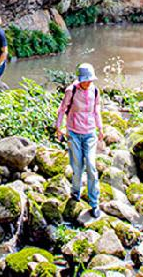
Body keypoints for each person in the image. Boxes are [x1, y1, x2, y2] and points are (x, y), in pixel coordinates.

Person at [55, 61, 105, 217]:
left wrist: (100, 128)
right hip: (74, 133)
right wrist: (59, 127)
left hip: (90, 133)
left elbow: (96, 109)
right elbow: (62, 109)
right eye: (85, 80)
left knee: (91, 166)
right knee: (77, 167)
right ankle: (75, 193)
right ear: (80, 79)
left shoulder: (95, 91)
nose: (88, 82)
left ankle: (94, 203)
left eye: (90, 80)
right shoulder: (71, 90)